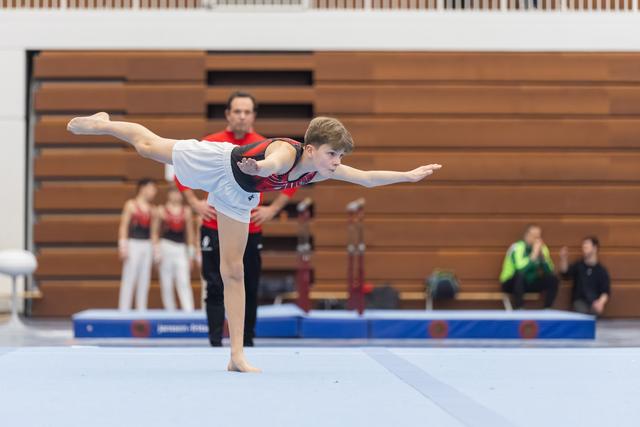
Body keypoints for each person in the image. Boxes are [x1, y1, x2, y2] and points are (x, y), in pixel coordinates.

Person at [67, 112, 442, 373]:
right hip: (221, 164)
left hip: (239, 194)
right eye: (332, 154)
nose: (336, 162)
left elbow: (368, 177)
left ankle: (236, 355)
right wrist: (259, 168)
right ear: (311, 148)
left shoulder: (321, 170)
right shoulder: (290, 152)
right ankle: (105, 124)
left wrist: (408, 177)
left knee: (234, 271)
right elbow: (275, 163)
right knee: (148, 147)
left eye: (340, 156)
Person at [176, 91, 295, 346]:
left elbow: (290, 181)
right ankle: (215, 340)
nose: (241, 116)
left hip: (249, 227)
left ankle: (246, 341)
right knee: (215, 285)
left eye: (247, 112)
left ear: (253, 115)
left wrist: (272, 210)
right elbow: (180, 170)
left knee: (249, 284)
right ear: (228, 114)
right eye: (237, 111)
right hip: (213, 225)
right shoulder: (211, 142)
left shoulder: (266, 146)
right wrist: (195, 203)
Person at [151, 187, 196, 312]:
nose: (176, 196)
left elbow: (190, 234)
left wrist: (191, 255)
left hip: (181, 249)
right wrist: (156, 252)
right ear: (169, 195)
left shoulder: (186, 211)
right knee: (166, 283)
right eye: (174, 193)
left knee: (184, 281)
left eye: (178, 194)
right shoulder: (161, 211)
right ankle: (170, 311)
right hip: (165, 246)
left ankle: (188, 310)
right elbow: (154, 233)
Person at [117, 178, 157, 311]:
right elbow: (123, 226)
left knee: (144, 280)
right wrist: (123, 245)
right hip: (133, 244)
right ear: (143, 188)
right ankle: (124, 310)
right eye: (152, 188)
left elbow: (153, 232)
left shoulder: (152, 209)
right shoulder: (131, 205)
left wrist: (155, 250)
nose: (154, 192)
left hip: (147, 246)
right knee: (129, 278)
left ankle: (141, 310)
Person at [499, 224, 559, 309]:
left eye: (539, 237)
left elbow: (550, 271)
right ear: (527, 236)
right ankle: (519, 308)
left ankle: (547, 309)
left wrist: (542, 258)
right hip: (510, 282)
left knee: (553, 279)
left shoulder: (543, 248)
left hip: (529, 282)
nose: (537, 240)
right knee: (519, 276)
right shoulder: (517, 247)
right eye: (534, 236)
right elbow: (520, 269)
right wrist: (533, 255)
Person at [559, 236, 610, 316]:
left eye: (586, 246)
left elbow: (605, 291)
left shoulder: (601, 270)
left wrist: (600, 302)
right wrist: (563, 259)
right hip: (580, 301)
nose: (584, 249)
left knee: (593, 313)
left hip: (594, 302)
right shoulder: (578, 265)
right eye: (583, 247)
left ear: (595, 248)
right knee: (582, 312)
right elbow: (565, 274)